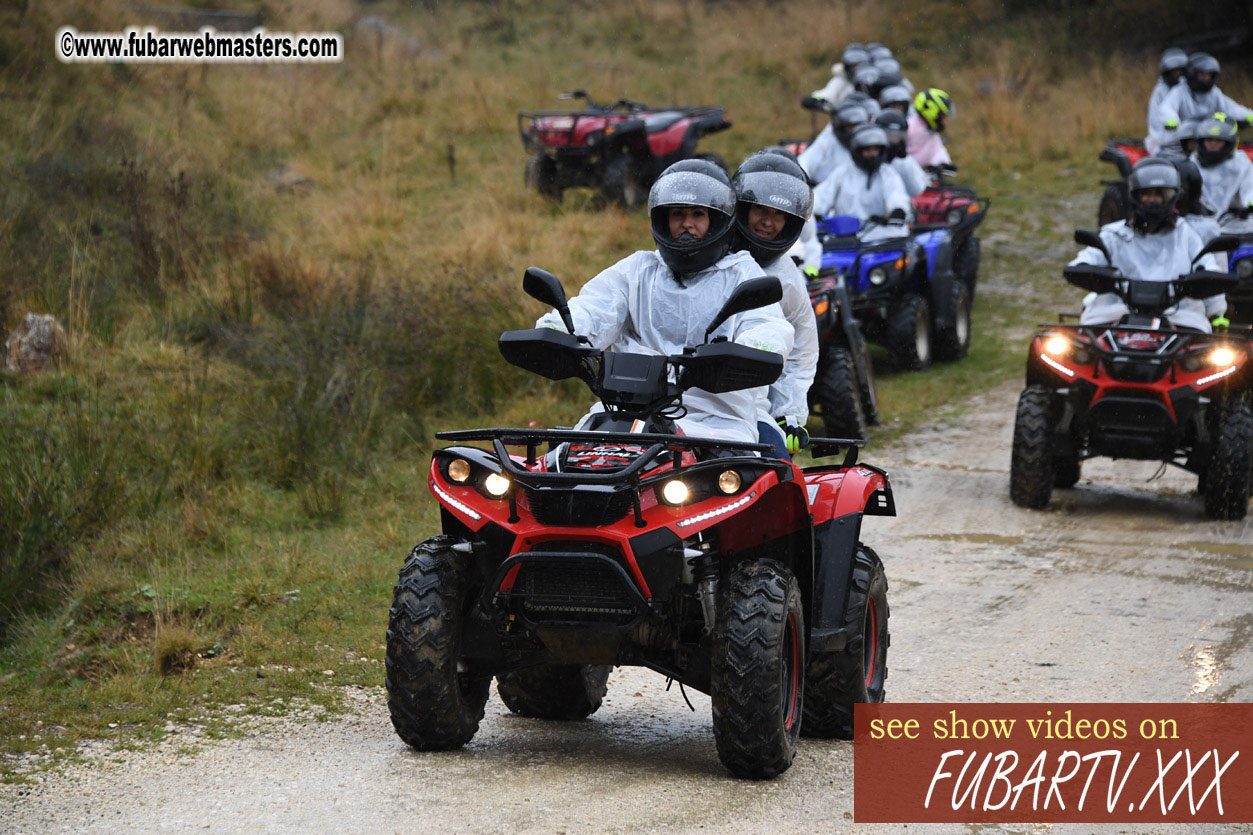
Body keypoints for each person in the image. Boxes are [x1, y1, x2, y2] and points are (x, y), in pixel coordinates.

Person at [535, 159, 793, 445]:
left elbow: (767, 323)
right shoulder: (638, 270)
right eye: (677, 214)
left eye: (698, 214)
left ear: (717, 220)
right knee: (561, 461)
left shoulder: (741, 273)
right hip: (626, 413)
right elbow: (595, 307)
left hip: (717, 420)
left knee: (766, 471)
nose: (686, 224)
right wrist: (559, 327)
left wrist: (756, 346)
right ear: (663, 220)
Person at [730, 150, 820, 457]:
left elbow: (802, 346)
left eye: (779, 215)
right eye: (760, 211)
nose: (768, 223)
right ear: (742, 207)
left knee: (778, 478)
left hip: (749, 410)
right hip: (676, 405)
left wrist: (790, 412)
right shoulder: (707, 255)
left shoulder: (787, 277)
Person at [1072, 157, 1220, 333]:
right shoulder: (1113, 235)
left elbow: (1209, 268)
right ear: (1135, 195)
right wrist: (1090, 272)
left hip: (1178, 316)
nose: (1153, 200)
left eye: (1159, 194)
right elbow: (1084, 261)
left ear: (1172, 196)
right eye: (1146, 194)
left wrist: (1205, 282)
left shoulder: (1186, 234)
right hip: (1115, 313)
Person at [813, 124, 911, 223]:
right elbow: (822, 197)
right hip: (845, 235)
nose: (873, 155)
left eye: (875, 150)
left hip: (881, 233)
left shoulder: (887, 173)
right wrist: (813, 211)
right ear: (857, 151)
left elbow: (896, 195)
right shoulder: (842, 173)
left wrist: (898, 210)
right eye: (868, 150)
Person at [1173, 157, 1229, 323]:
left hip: (1185, 308)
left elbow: (1213, 271)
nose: (1154, 199)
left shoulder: (1199, 230)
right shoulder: (1128, 228)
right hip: (1137, 306)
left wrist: (1216, 313)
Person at [1156, 53, 1253, 148]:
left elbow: (1231, 108)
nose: (1205, 78)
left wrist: (1247, 115)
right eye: (1202, 74)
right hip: (1183, 140)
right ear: (1192, 74)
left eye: (1208, 75)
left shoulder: (1214, 92)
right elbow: (1167, 108)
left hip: (1206, 138)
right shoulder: (1180, 91)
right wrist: (1171, 120)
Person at [1192, 115, 1253, 221]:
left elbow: (1249, 189)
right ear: (1201, 141)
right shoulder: (1193, 162)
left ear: (1229, 143)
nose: (1213, 144)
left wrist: (1250, 202)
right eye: (1209, 139)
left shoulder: (1241, 163)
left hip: (1232, 222)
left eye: (1218, 140)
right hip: (1198, 221)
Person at [798, 101, 870, 187]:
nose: (854, 131)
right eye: (850, 127)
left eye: (857, 126)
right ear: (841, 128)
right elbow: (804, 164)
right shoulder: (827, 141)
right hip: (823, 189)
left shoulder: (867, 145)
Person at [1145, 48, 1188, 154]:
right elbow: (1156, 119)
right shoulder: (1160, 91)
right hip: (1166, 139)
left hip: (1188, 135)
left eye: (1180, 71)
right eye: (1175, 72)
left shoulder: (1188, 89)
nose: (1178, 75)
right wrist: (1172, 125)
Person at [876, 109, 928, 197]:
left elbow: (918, 190)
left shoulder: (905, 161)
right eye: (890, 136)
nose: (893, 141)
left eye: (897, 137)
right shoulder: (868, 159)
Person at [907, 88, 954, 169]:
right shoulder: (910, 128)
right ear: (931, 111)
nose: (944, 120)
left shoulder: (931, 130)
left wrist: (943, 164)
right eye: (943, 116)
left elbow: (938, 150)